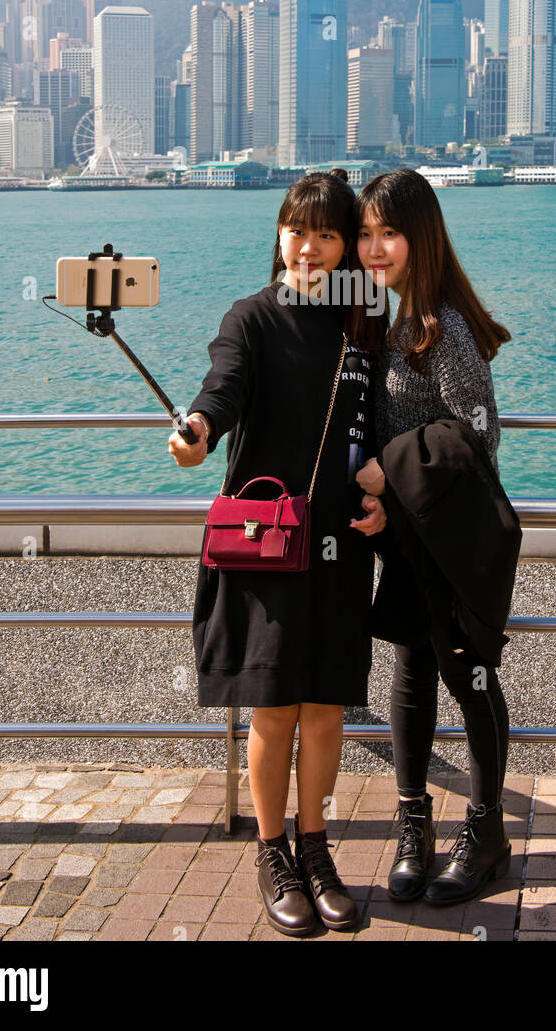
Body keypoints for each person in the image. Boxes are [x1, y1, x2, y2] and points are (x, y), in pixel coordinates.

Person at [168, 171, 386, 937]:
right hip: (265, 543)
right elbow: (219, 391)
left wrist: (383, 493)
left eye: (327, 234)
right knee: (272, 709)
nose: (310, 247)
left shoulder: (364, 325)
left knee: (326, 708)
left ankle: (317, 848)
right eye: (297, 230)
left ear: (346, 247)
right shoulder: (251, 318)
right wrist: (195, 431)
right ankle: (271, 852)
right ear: (279, 234)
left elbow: (382, 425)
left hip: (339, 544)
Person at [351, 167, 515, 906]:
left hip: (449, 536)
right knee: (412, 674)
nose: (375, 246)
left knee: (468, 677)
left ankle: (485, 835)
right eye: (365, 233)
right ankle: (412, 824)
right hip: (407, 536)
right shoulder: (388, 323)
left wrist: (390, 467)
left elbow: (479, 436)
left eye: (389, 232)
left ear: (422, 237)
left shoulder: (439, 326)